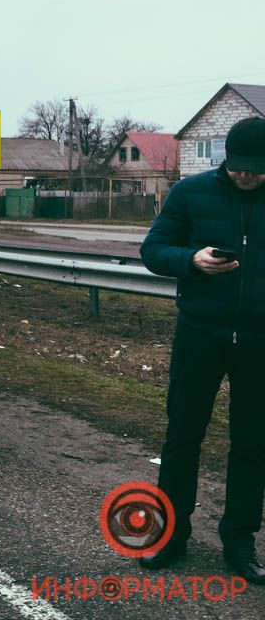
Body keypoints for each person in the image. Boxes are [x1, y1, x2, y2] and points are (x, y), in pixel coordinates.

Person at [139, 117, 265, 583]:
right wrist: (189, 261)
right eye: (240, 167)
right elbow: (153, 250)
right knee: (182, 437)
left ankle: (240, 542)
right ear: (225, 159)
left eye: (258, 169)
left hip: (259, 342)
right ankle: (171, 536)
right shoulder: (190, 193)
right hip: (200, 334)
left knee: (253, 444)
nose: (247, 176)